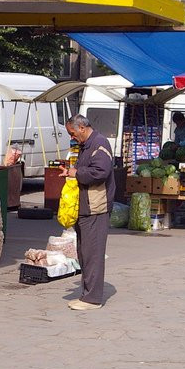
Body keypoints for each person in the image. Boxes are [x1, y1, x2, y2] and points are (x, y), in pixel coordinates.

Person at [60, 114, 115, 311]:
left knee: (93, 253)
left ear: (82, 128)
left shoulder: (99, 144)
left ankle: (92, 299)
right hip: (84, 207)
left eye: (73, 134)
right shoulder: (86, 145)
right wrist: (71, 172)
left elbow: (101, 172)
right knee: (84, 253)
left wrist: (77, 173)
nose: (72, 138)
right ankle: (87, 294)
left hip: (95, 208)